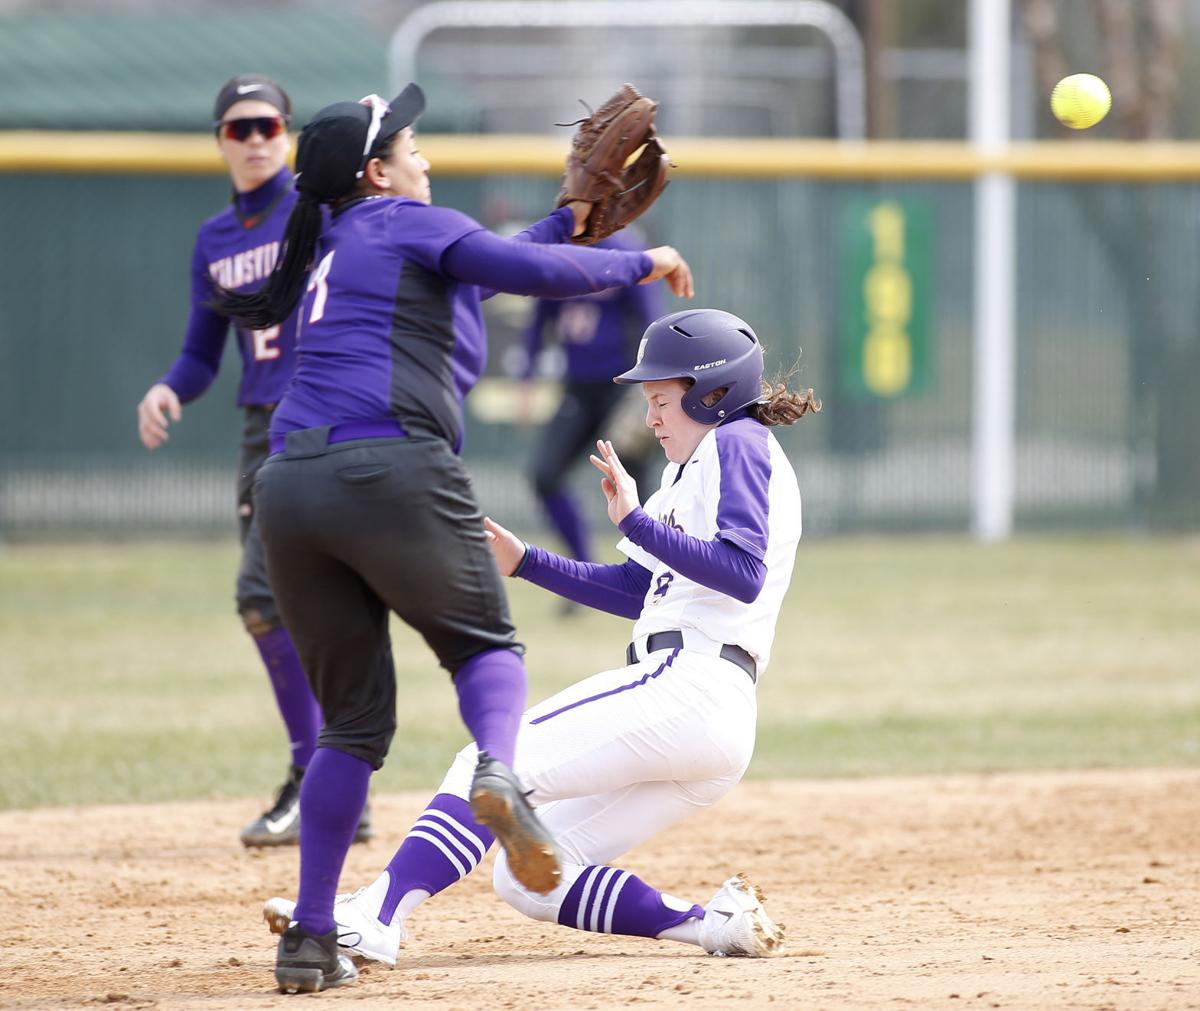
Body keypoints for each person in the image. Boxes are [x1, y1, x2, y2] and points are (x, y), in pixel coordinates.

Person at [208, 84, 693, 994]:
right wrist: (640, 260)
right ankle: (500, 776)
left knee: (352, 725)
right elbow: (529, 274)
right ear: (376, 173)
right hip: (387, 466)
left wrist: (567, 220)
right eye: (412, 146)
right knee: (488, 649)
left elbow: (502, 255)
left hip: (289, 490)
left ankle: (311, 937)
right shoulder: (398, 221)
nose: (423, 158)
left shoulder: (347, 239)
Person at [262, 308, 821, 970]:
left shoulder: (738, 441)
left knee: (487, 763)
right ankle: (711, 923)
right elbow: (641, 591)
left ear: (713, 393)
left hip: (690, 685)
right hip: (708, 717)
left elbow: (742, 573)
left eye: (662, 398)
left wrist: (637, 522)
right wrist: (529, 561)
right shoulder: (697, 466)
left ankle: (377, 914)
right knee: (531, 873)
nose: (651, 418)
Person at [134, 74, 370, 850]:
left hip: (322, 413)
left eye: (269, 124)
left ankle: (317, 775)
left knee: (266, 595)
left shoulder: (318, 207)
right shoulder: (215, 238)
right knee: (280, 605)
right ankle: (333, 781)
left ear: (290, 133)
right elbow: (203, 352)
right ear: (221, 142)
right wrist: (169, 388)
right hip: (258, 426)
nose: (257, 138)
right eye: (240, 128)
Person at [519, 233, 664, 567]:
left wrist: (654, 386)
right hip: (578, 390)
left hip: (623, 386)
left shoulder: (625, 251)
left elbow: (651, 322)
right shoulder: (558, 255)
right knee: (545, 475)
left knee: (634, 481)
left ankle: (653, 570)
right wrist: (526, 379)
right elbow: (539, 322)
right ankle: (583, 565)